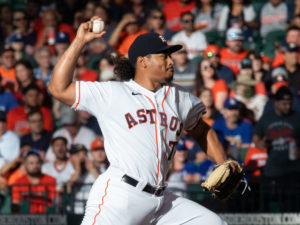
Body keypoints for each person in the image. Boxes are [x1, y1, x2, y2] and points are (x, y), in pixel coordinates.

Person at [48, 16, 240, 225]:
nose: (171, 61)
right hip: (121, 196)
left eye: (170, 55)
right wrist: (80, 42)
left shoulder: (180, 97)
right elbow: (59, 88)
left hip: (162, 202)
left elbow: (202, 131)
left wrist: (222, 162)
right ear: (143, 62)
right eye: (164, 56)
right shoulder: (113, 93)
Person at [253, 87, 300, 211]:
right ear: (276, 102)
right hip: (273, 170)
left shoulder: (297, 118)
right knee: (270, 207)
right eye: (284, 103)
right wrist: (260, 144)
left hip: (294, 170)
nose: (287, 107)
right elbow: (256, 136)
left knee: (292, 208)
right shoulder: (267, 118)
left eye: (289, 103)